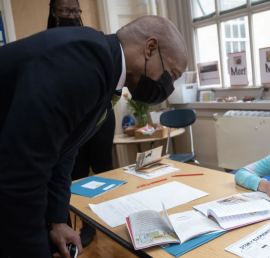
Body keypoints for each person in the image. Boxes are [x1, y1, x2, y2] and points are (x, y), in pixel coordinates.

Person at [0, 15, 187, 258]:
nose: (168, 86)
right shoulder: (83, 64)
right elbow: (21, 175)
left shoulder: (107, 74)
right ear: (150, 49)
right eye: (171, 75)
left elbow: (65, 149)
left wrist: (57, 221)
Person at [47, 0, 116, 247]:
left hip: (99, 115)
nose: (71, 15)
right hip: (70, 118)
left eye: (75, 11)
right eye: (65, 11)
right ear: (53, 13)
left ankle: (110, 219)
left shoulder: (92, 39)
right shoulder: (47, 43)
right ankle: (83, 224)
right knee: (75, 173)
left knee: (104, 169)